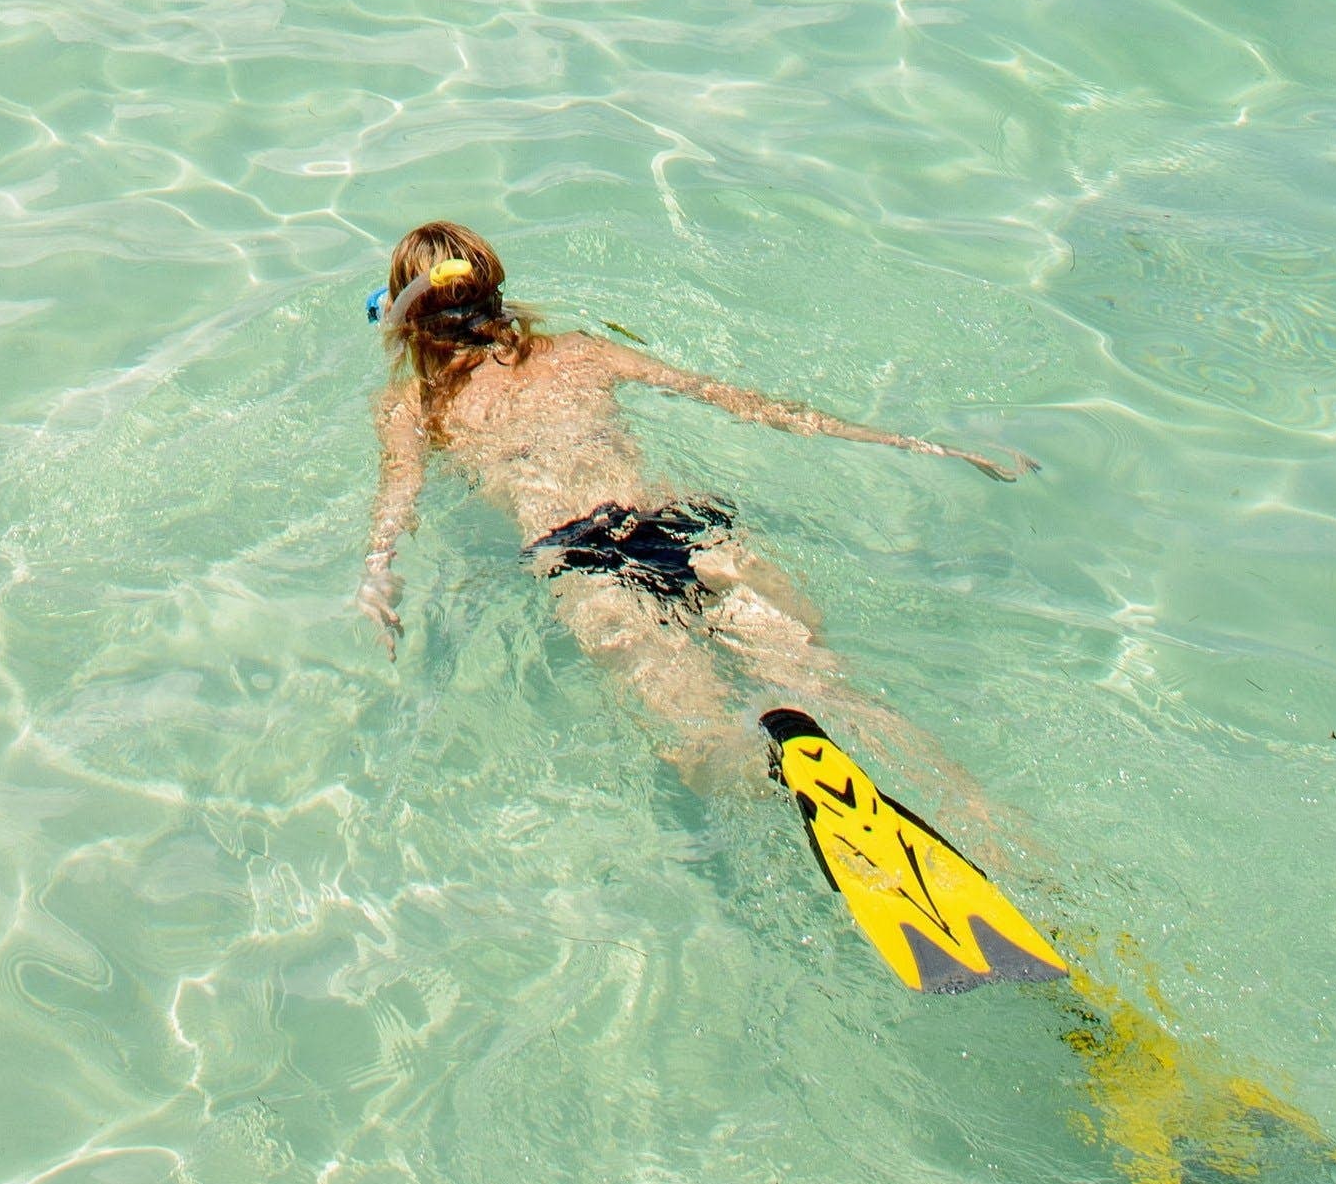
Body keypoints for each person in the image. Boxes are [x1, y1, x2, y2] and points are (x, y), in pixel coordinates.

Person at [357, 221, 1032, 791]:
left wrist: (378, 574)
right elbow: (745, 403)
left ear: (405, 319)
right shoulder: (583, 354)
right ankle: (985, 820)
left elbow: (400, 501)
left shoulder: (413, 406)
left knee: (705, 744)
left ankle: (778, 802)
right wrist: (926, 447)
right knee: (837, 695)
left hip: (589, 564)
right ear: (497, 294)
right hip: (688, 529)